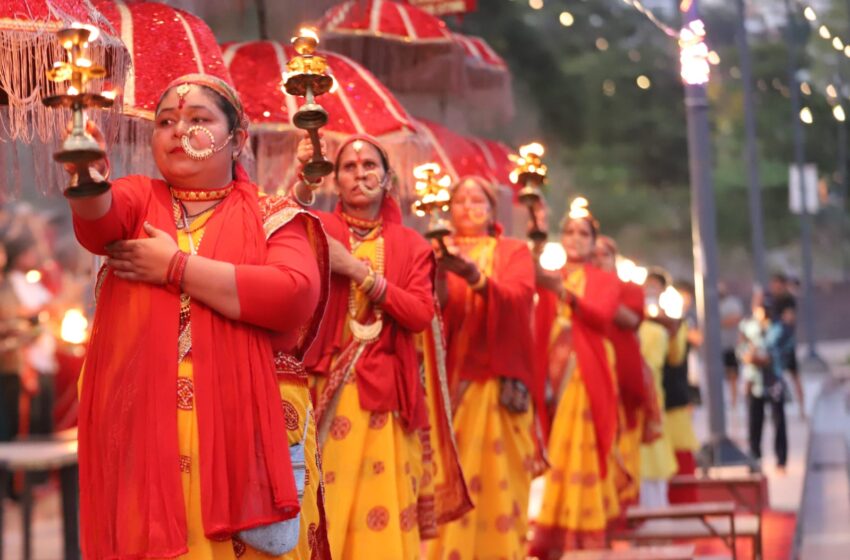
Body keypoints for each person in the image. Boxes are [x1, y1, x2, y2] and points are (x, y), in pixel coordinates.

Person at [68, 74, 325, 559]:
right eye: (165, 121)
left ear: (237, 140)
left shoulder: (273, 214)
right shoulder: (138, 198)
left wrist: (175, 268)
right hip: (146, 431)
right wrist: (87, 175)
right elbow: (98, 224)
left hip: (242, 433)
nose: (177, 130)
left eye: (198, 119)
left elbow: (293, 295)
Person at [293, 134, 470, 560]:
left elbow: (418, 314)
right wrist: (303, 178)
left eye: (369, 166)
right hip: (324, 388)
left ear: (387, 178)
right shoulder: (318, 229)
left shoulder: (411, 245)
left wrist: (358, 271)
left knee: (382, 508)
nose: (360, 174)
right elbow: (281, 223)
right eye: (349, 168)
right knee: (322, 507)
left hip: (385, 396)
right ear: (335, 181)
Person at [426, 176, 544, 560]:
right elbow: (432, 309)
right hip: (450, 386)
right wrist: (443, 269)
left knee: (501, 482)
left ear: (493, 210)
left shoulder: (512, 250)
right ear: (448, 210)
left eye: (478, 200)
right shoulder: (434, 250)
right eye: (460, 200)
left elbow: (520, 296)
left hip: (495, 382)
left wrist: (474, 276)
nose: (468, 207)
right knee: (445, 476)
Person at [529, 200, 622, 556]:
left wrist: (562, 291)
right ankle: (555, 531)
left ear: (594, 241)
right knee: (558, 447)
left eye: (583, 233)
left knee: (582, 444)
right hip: (552, 370)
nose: (575, 238)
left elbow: (601, 318)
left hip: (588, 370)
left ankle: (585, 533)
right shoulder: (552, 275)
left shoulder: (602, 279)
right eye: (569, 231)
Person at [636, 269, 678, 509]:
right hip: (631, 400)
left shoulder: (663, 327)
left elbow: (674, 356)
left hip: (655, 401)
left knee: (654, 461)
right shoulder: (633, 323)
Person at [739, 298, 789, 473]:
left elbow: (777, 352)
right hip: (754, 381)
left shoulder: (778, 328)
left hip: (773, 380)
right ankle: (754, 458)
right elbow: (742, 348)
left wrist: (761, 358)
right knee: (754, 422)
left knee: (778, 421)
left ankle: (781, 459)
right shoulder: (748, 326)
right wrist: (748, 357)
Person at [766, 273, 803, 418]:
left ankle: (801, 408)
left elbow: (790, 319)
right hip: (774, 345)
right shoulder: (771, 299)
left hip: (785, 345)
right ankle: (774, 409)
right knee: (773, 377)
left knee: (794, 375)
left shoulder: (787, 299)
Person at [719, 282, 744, 409]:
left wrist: (717, 322)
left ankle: (734, 401)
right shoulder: (711, 303)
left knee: (733, 374)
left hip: (730, 345)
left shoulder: (732, 303)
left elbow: (736, 318)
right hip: (718, 347)